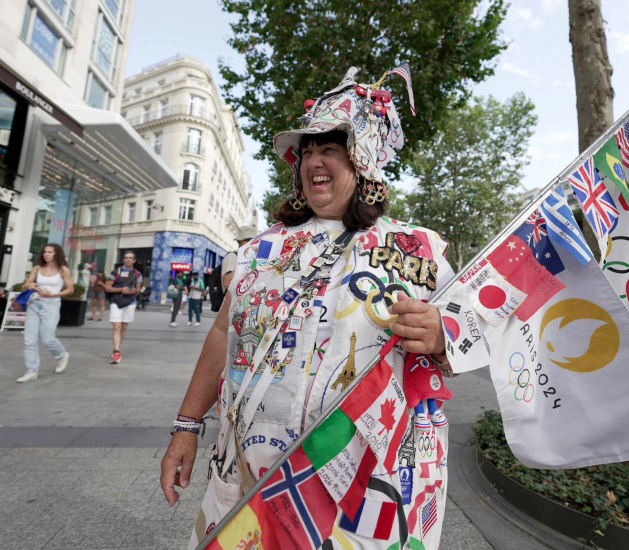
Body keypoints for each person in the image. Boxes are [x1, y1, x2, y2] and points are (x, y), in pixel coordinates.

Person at [160, 67, 457, 549]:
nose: (315, 161)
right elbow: (222, 334)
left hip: (363, 485)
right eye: (308, 151)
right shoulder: (261, 250)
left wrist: (441, 335)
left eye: (331, 148)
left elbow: (465, 339)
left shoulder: (416, 249)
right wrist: (186, 427)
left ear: (363, 162)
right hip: (250, 470)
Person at [16, 243, 73, 382]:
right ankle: (31, 371)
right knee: (29, 340)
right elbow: (26, 284)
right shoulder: (37, 268)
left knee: (48, 339)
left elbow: (70, 289)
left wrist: (53, 294)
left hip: (51, 305)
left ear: (56, 254)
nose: (46, 254)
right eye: (45, 252)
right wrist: (30, 285)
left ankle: (61, 355)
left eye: (50, 252)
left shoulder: (63, 270)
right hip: (35, 304)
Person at [105, 251, 142, 364]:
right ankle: (116, 352)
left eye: (130, 258)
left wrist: (134, 291)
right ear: (123, 260)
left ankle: (116, 349)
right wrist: (120, 290)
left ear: (134, 260)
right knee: (117, 326)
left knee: (124, 326)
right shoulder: (116, 271)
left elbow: (138, 289)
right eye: (126, 258)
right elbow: (107, 287)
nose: (128, 260)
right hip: (116, 300)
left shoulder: (137, 274)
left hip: (130, 302)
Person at [221, 226, 258, 292]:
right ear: (239, 241)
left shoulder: (254, 258)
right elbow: (227, 283)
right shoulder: (232, 256)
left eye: (253, 240)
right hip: (232, 301)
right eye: (247, 240)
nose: (250, 243)